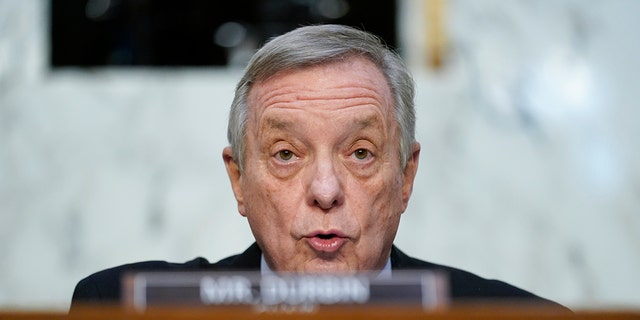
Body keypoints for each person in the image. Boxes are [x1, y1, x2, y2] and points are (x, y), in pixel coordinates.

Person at [71, 24, 566, 310]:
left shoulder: (514, 319)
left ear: (406, 177)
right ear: (239, 179)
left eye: (361, 153)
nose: (326, 191)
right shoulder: (127, 308)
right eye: (286, 154)